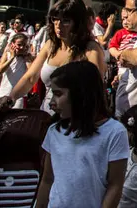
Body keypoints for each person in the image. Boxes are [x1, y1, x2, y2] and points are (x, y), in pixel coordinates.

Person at [35, 60, 128, 208]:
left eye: (58, 94)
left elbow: (115, 185)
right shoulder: (55, 131)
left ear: (80, 94)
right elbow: (47, 179)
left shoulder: (114, 132)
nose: (52, 102)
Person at [0, 0, 105, 113]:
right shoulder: (50, 45)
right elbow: (30, 77)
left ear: (77, 23)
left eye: (66, 20)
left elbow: (95, 90)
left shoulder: (91, 49)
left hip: (76, 118)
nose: (58, 25)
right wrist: (11, 97)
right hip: (47, 114)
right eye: (55, 19)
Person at [109, 19, 137, 118]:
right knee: (122, 92)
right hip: (123, 68)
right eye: (123, 19)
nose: (125, 21)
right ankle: (119, 115)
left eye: (128, 18)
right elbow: (112, 47)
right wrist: (118, 55)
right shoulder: (120, 33)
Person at [0, 33, 31, 109]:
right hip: (5, 91)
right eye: (19, 45)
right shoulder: (7, 54)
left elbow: (31, 74)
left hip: (19, 94)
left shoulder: (27, 57)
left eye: (24, 45)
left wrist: (27, 58)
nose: (21, 47)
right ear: (12, 44)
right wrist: (12, 57)